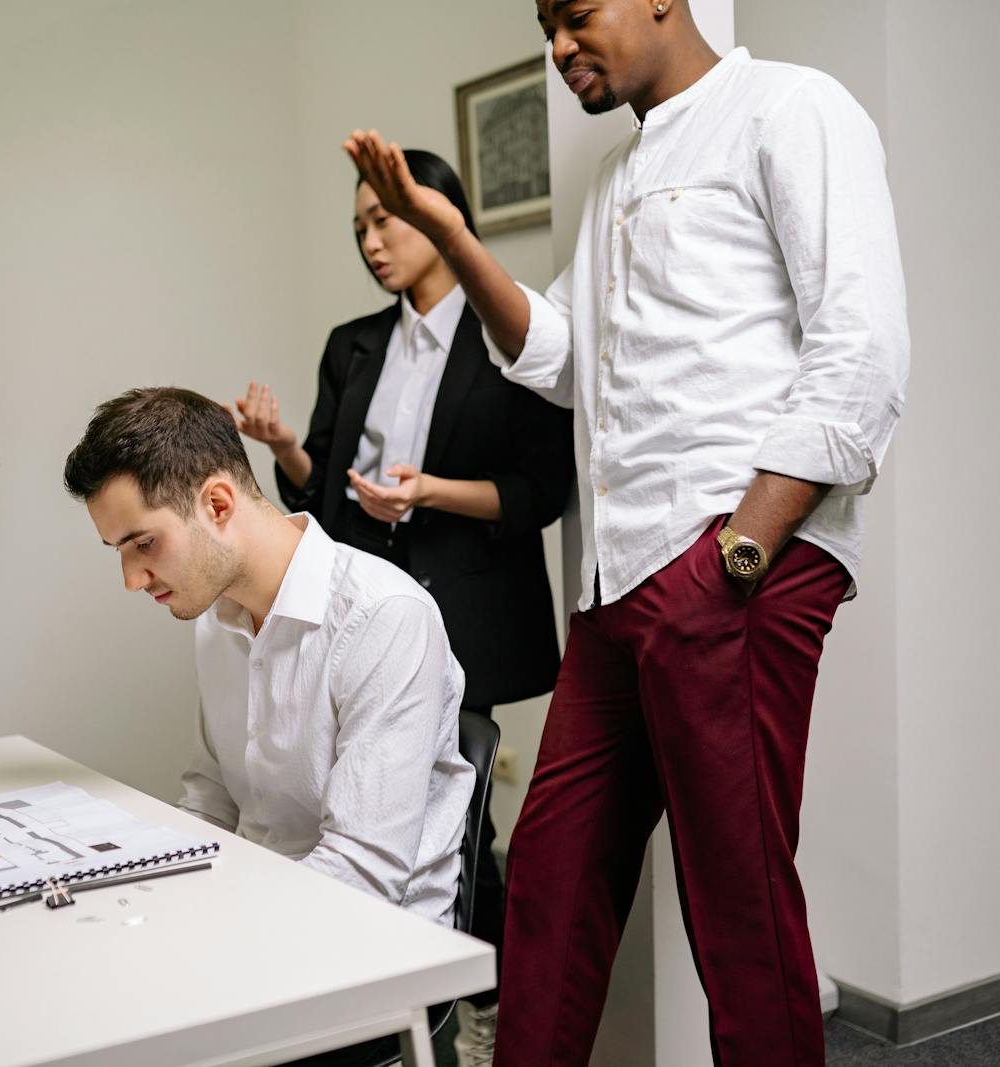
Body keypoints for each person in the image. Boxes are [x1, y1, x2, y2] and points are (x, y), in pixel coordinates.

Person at [345, 0, 910, 1062]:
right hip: (617, 586)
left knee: (736, 904)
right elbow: (557, 356)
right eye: (545, 26)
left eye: (575, 15)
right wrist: (452, 233)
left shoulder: (790, 108)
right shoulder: (614, 176)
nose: (558, 47)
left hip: (733, 565)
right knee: (552, 890)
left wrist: (737, 556)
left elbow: (862, 354)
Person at [233, 147, 572, 1063]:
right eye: (358, 231)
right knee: (359, 810)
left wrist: (433, 494)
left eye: (384, 220)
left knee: (459, 825)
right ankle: (380, 999)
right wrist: (284, 448)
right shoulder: (353, 344)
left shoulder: (506, 332)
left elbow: (542, 490)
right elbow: (327, 499)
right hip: (364, 605)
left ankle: (478, 1011)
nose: (371, 242)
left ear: (437, 213)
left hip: (469, 603)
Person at [64, 386, 473, 1066]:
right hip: (255, 932)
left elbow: (361, 876)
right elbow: (210, 801)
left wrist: (194, 934)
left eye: (142, 543)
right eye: (117, 549)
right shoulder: (217, 618)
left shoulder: (386, 617)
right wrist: (126, 881)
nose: (132, 578)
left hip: (365, 962)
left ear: (218, 504)